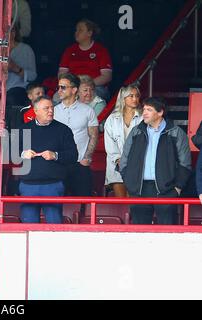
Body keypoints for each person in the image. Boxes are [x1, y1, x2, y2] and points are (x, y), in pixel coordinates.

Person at [120, 97, 192, 225]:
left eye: (149, 109)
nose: (144, 113)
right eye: (144, 109)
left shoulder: (176, 133)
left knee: (168, 233)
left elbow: (185, 163)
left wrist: (177, 188)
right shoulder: (136, 131)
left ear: (160, 112)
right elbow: (124, 160)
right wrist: (130, 182)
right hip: (139, 189)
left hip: (167, 190)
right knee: (140, 233)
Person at [18, 96, 78, 223]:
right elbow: (9, 155)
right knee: (28, 227)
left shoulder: (63, 130)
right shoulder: (23, 129)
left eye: (52, 107)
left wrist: (55, 155)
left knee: (54, 227)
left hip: (53, 185)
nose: (51, 111)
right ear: (36, 111)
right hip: (28, 185)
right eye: (46, 108)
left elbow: (73, 155)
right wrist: (23, 154)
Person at [54, 73, 98, 197]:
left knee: (84, 202)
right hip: (58, 164)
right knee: (56, 202)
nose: (59, 90)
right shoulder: (53, 111)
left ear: (74, 90)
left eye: (63, 87)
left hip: (80, 164)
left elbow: (93, 136)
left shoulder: (88, 110)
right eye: (59, 87)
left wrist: (87, 158)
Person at [58, 19, 112, 101]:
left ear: (89, 33)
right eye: (76, 30)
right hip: (72, 87)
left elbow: (107, 76)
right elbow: (62, 73)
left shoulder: (101, 50)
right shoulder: (70, 50)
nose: (76, 32)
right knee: (56, 98)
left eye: (80, 30)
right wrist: (72, 85)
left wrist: (86, 85)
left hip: (94, 87)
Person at [104, 85, 142, 197]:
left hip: (136, 165)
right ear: (123, 98)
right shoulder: (112, 119)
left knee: (134, 201)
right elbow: (109, 143)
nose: (135, 99)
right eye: (131, 96)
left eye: (137, 96)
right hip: (117, 165)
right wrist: (118, 159)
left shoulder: (143, 118)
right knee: (121, 202)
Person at [6, 22, 37, 129]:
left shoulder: (25, 50)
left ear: (13, 33)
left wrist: (15, 68)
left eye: (8, 31)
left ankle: (14, 135)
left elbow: (33, 76)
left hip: (17, 91)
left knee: (12, 97)